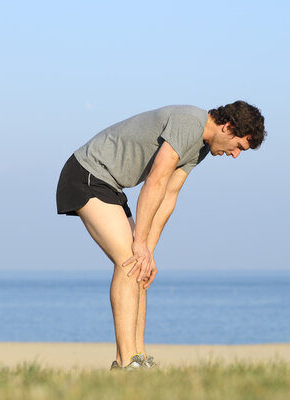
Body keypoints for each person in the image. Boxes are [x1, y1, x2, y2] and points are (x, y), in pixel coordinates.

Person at [56, 101, 266, 370]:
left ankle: (139, 359)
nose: (235, 155)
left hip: (110, 186)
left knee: (140, 267)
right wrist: (139, 244)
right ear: (228, 127)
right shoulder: (189, 122)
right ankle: (126, 363)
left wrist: (149, 250)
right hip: (86, 174)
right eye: (238, 146)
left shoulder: (200, 148)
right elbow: (155, 180)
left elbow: (168, 195)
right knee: (129, 262)